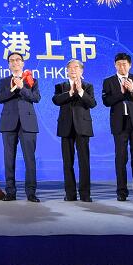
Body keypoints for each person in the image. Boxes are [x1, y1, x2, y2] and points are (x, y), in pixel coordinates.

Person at [102, 52, 133, 202]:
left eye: (124, 64)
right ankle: (121, 192)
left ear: (130, 65)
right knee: (121, 158)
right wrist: (122, 93)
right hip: (119, 123)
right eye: (118, 64)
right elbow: (106, 101)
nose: (121, 67)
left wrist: (132, 91)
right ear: (115, 65)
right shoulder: (108, 81)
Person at [0, 52, 41, 202]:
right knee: (9, 159)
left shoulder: (32, 80)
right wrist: (12, 88)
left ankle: (31, 193)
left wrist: (22, 88)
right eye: (11, 60)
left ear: (22, 63)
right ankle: (10, 192)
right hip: (8, 123)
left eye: (17, 60)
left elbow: (36, 98)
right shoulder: (4, 81)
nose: (15, 62)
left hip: (28, 123)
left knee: (30, 159)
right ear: (9, 64)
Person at [51, 59, 96, 202]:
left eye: (76, 67)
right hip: (66, 127)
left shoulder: (88, 86)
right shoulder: (61, 86)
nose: (73, 70)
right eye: (70, 68)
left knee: (84, 162)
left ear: (81, 71)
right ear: (67, 71)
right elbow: (56, 100)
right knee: (67, 162)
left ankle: (85, 194)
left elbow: (92, 103)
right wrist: (70, 93)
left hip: (83, 127)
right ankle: (70, 194)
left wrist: (81, 91)